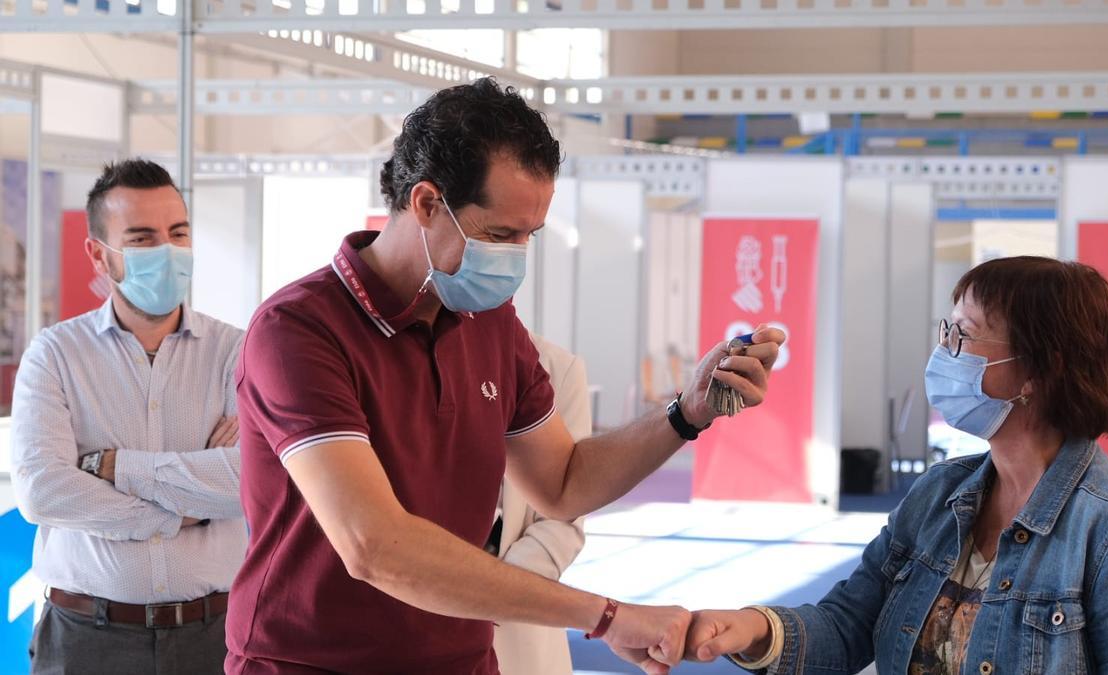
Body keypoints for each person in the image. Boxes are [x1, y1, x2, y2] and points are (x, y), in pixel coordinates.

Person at [226, 77, 786, 675]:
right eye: (499, 234)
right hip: (311, 663)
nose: (516, 256)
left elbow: (563, 482)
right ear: (425, 203)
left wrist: (686, 412)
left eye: (529, 236)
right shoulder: (300, 330)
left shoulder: (488, 320)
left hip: (462, 659)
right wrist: (605, 616)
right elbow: (374, 546)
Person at [685, 256, 1108, 675]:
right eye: (945, 331)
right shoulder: (939, 494)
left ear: (1041, 369)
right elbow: (847, 626)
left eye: (963, 337)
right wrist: (750, 628)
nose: (942, 353)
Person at [10, 159, 246, 675]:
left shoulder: (238, 351)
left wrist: (115, 468)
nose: (168, 251)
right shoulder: (55, 355)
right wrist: (181, 509)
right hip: (85, 640)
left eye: (178, 233)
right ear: (99, 255)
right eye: (141, 240)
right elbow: (43, 490)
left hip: (215, 636)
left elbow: (248, 482)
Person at [492, 333, 591, 675]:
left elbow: (565, 516)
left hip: (514, 615)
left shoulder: (557, 368)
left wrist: (494, 589)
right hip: (409, 608)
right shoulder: (395, 356)